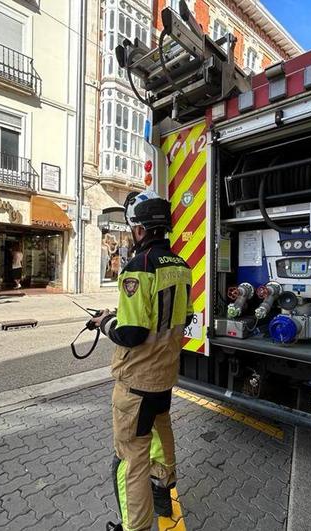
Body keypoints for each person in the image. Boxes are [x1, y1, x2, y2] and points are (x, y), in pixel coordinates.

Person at [91, 191, 192, 531]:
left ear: (139, 229)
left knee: (129, 458)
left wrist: (105, 322)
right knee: (161, 433)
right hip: (165, 377)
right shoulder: (181, 267)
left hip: (136, 384)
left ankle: (134, 527)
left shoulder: (138, 268)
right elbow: (180, 315)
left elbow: (132, 334)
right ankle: (163, 492)